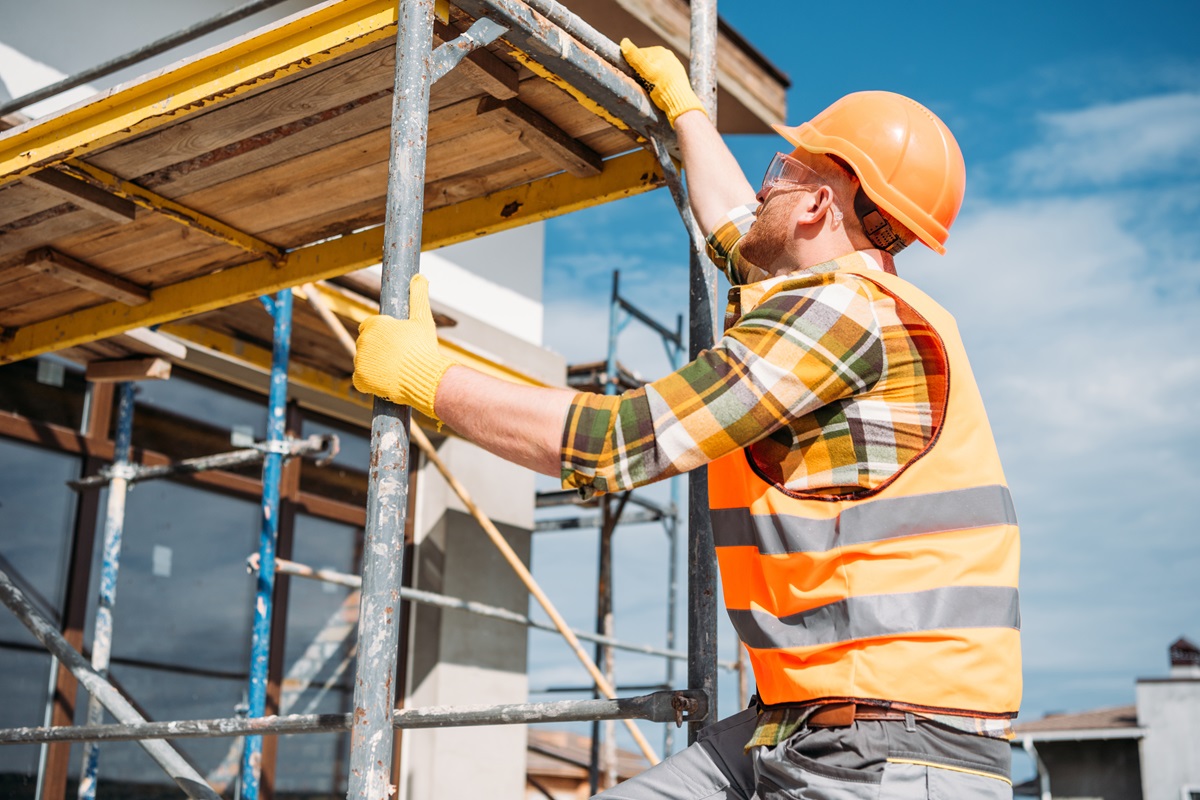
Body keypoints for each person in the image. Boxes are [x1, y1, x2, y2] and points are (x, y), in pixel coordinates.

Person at [352, 38, 1021, 800]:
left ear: (815, 206)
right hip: (812, 725)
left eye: (781, 174)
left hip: (887, 754)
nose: (764, 191)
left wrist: (425, 376)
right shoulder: (856, 300)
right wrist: (686, 111)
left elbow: (612, 445)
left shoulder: (840, 312)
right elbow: (741, 233)